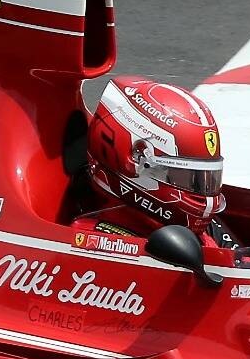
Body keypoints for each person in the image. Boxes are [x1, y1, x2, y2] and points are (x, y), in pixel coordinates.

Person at [83, 76, 237, 248]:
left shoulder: (199, 229)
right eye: (187, 178)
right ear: (136, 162)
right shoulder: (94, 243)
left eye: (206, 179)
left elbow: (245, 262)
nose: (206, 201)